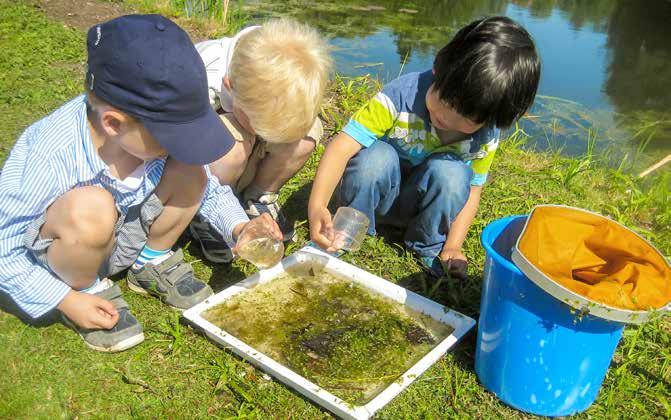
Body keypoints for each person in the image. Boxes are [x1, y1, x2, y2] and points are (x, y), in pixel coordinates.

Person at [0, 15, 280, 353]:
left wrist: (239, 227)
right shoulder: (51, 152)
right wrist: (64, 299)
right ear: (114, 124)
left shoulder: (142, 133)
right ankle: (87, 288)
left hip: (127, 233)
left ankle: (150, 261)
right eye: (172, 137)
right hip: (73, 249)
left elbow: (209, 186)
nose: (179, 144)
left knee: (192, 168)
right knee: (91, 208)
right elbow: (5, 247)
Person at [308, 16, 541, 279]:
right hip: (377, 196)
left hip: (421, 210)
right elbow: (341, 146)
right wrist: (318, 205)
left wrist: (453, 246)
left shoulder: (486, 136)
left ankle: (427, 245)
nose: (446, 117)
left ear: (489, 119)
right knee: (376, 158)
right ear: (438, 69)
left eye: (466, 117)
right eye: (445, 99)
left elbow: (472, 190)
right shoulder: (401, 95)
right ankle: (348, 232)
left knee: (454, 175)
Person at [190, 18, 332, 263]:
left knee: (308, 132)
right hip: (205, 166)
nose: (266, 138)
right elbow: (184, 153)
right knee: (230, 143)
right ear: (230, 87)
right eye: (263, 129)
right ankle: (205, 217)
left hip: (246, 159)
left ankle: (258, 197)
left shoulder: (279, 67)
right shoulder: (199, 76)